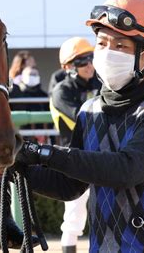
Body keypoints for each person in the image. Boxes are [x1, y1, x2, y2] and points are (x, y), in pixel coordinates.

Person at [15, 0, 144, 252]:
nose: (106, 53)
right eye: (102, 43)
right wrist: (15, 166)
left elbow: (127, 169)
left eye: (120, 46)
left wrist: (44, 153)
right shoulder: (90, 110)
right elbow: (68, 185)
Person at [50, 37, 100, 252]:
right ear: (68, 66)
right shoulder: (62, 91)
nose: (89, 64)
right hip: (73, 159)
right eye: (82, 61)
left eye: (91, 58)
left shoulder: (100, 84)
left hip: (102, 155)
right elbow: (85, 117)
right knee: (74, 218)